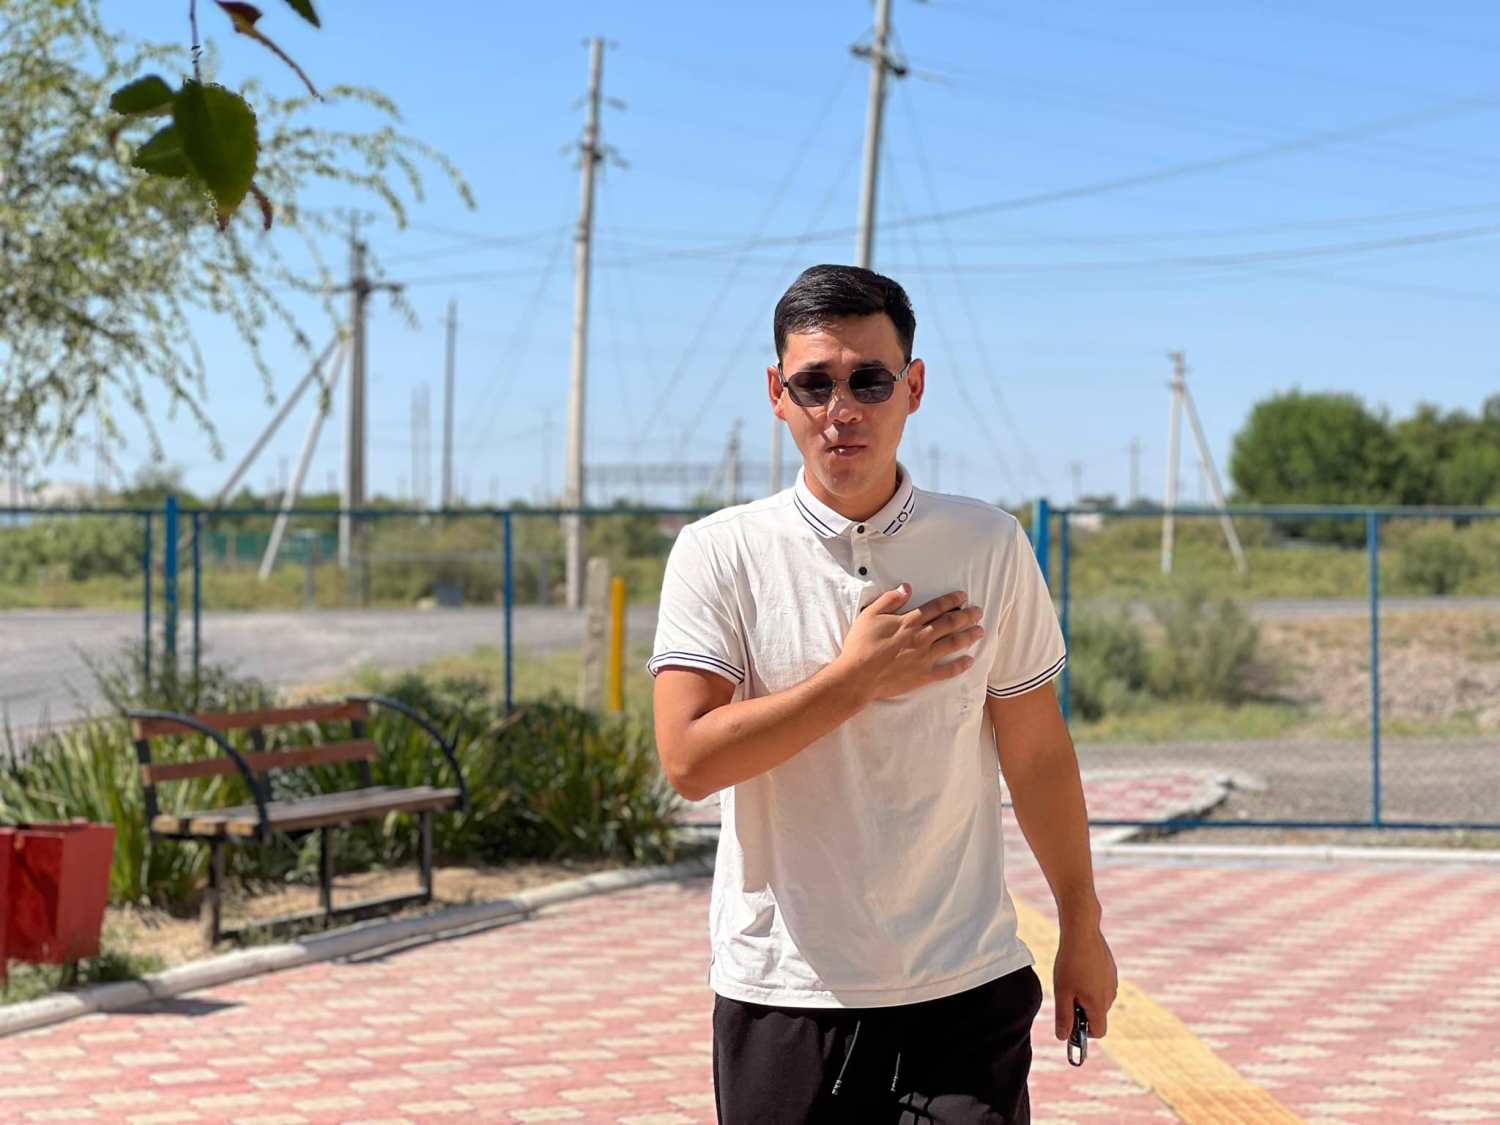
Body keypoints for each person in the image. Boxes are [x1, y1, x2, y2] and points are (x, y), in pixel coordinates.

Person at [649, 264, 1117, 1124]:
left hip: (964, 983)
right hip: (784, 991)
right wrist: (856, 679)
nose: (843, 409)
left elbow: (1038, 756)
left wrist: (1081, 924)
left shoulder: (987, 544)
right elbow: (688, 759)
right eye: (814, 383)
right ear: (777, 394)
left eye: (870, 380)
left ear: (914, 387)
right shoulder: (719, 554)